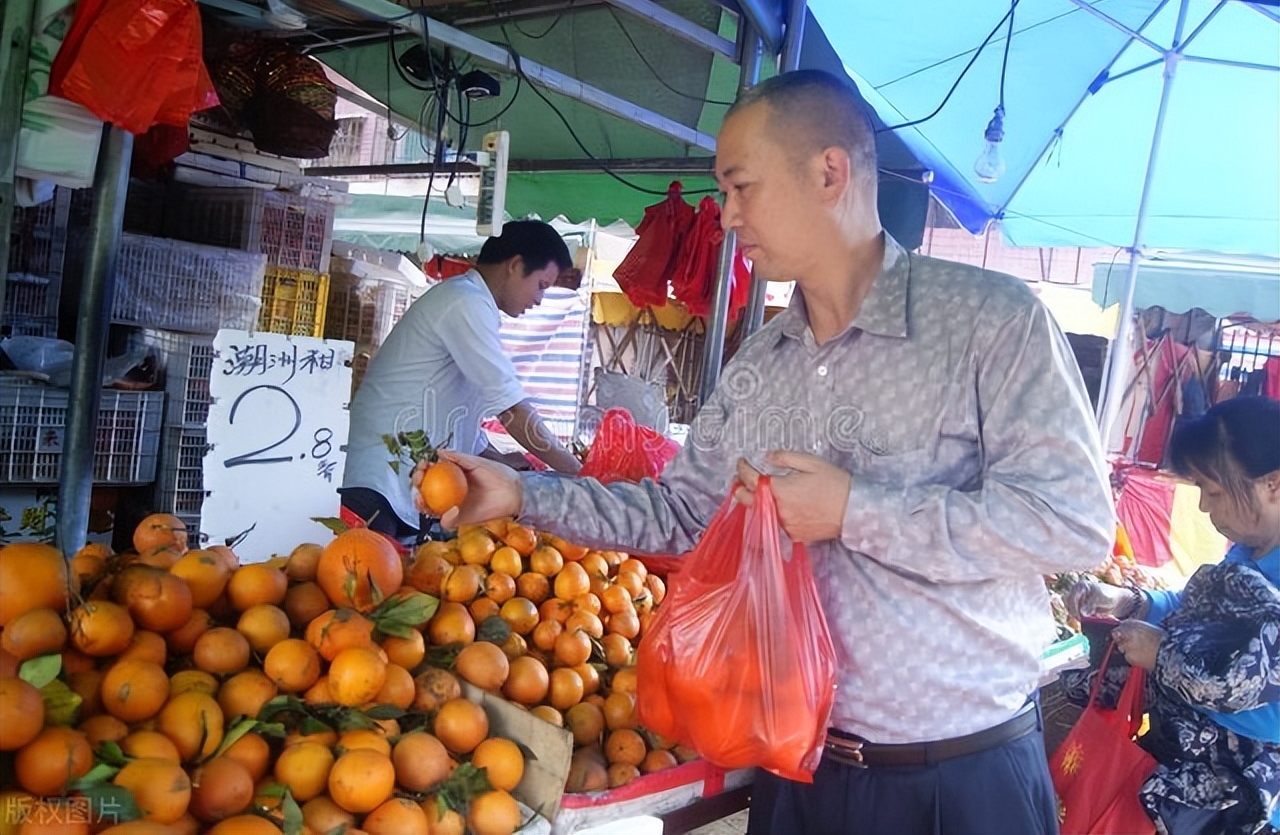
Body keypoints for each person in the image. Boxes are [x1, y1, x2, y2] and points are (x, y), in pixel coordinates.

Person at [433, 70, 1115, 834]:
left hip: (958, 778)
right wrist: (523, 494)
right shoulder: (760, 362)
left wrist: (854, 510)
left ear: (829, 173)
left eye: (741, 187)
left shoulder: (990, 323)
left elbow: (1072, 522)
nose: (727, 216)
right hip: (798, 773)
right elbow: (680, 514)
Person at [1066, 396, 1279, 835]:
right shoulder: (1246, 555)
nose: (1203, 507)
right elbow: (1191, 611)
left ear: (1273, 484)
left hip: (1244, 810)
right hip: (1184, 790)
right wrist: (1127, 602)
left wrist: (1166, 658)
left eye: (1213, 491)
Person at [341, 219, 582, 541]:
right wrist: (581, 475)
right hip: (375, 483)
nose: (539, 299)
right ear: (515, 265)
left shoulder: (475, 306)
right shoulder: (464, 302)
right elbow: (512, 411)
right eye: (541, 285)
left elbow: (458, 416)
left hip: (406, 486)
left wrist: (502, 461)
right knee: (361, 567)